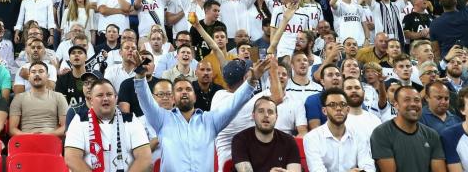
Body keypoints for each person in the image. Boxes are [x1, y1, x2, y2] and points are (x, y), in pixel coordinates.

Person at [134, 52, 268, 172]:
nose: (184, 91)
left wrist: (251, 81)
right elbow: (145, 100)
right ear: (173, 98)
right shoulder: (162, 119)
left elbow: (234, 104)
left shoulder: (209, 120)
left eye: (188, 89)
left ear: (195, 96)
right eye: (179, 90)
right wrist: (140, 76)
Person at [64, 78, 152, 172]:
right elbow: (72, 158)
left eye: (109, 94)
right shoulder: (79, 120)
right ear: (91, 100)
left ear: (116, 98)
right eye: (100, 95)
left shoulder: (130, 119)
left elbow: (145, 157)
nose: (105, 98)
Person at [369, 86, 445, 172]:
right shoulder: (381, 133)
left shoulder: (432, 135)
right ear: (396, 105)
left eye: (417, 100)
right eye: (407, 100)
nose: (413, 104)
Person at [303, 87, 375, 172]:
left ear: (348, 109)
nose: (338, 108)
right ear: (324, 110)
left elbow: (368, 167)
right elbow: (317, 170)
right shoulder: (312, 138)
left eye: (342, 104)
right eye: (332, 105)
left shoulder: (359, 135)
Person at [230, 97, 301, 172]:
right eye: (261, 111)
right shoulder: (240, 140)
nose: (266, 115)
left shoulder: (288, 141)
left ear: (276, 117)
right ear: (253, 116)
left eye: (270, 112)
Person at [8, 61, 68, 136]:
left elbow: (66, 127)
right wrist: (30, 136)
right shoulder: (18, 98)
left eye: (41, 71)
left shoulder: (59, 97)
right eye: (33, 72)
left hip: (52, 140)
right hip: (26, 140)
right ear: (29, 76)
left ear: (47, 76)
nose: (37, 74)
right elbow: (12, 129)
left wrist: (47, 135)